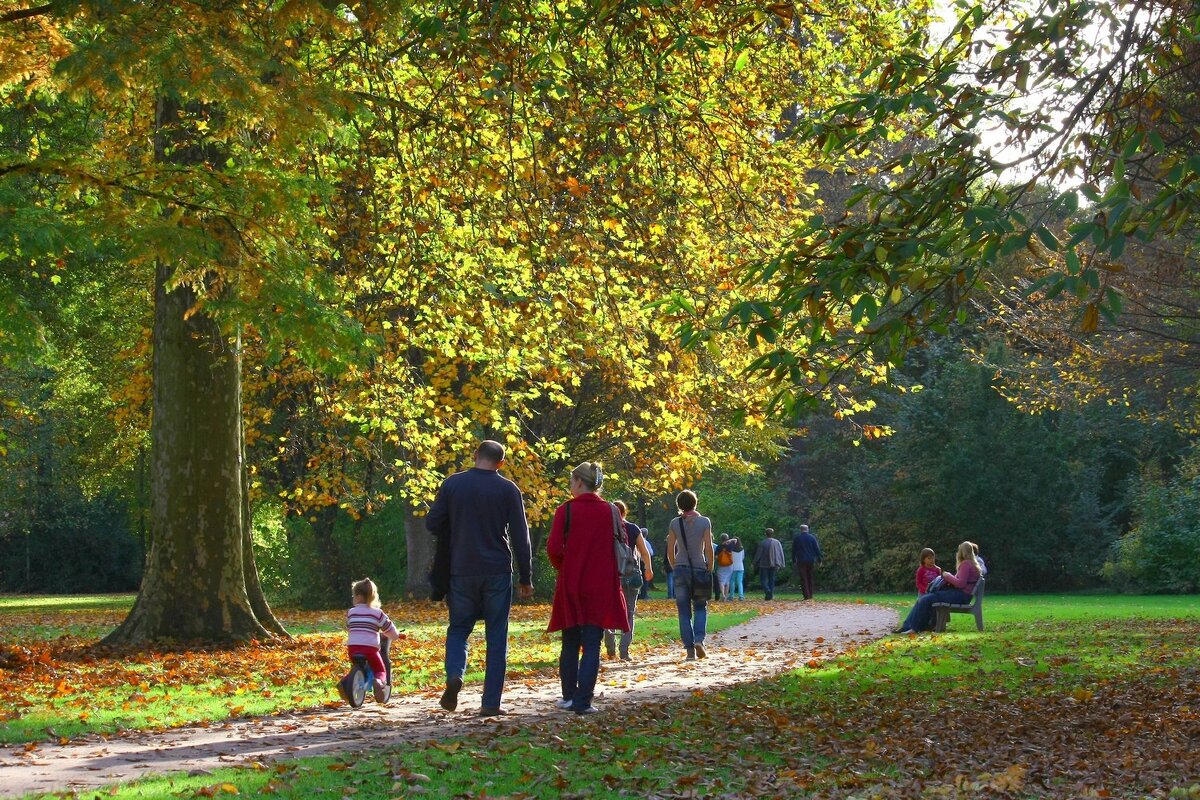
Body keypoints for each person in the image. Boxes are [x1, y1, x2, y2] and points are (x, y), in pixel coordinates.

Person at [426, 440, 533, 717]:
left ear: (475, 456)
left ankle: (454, 675)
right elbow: (521, 536)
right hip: (497, 569)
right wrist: (526, 576)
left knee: (459, 629)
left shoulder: (453, 484)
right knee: (497, 634)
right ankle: (490, 702)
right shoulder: (508, 489)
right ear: (501, 463)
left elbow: (432, 523)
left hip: (461, 569)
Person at [547, 462, 630, 714]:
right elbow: (623, 542)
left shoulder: (566, 511)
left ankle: (569, 696)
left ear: (580, 482)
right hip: (601, 582)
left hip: (572, 581)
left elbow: (552, 548)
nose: (570, 487)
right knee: (592, 641)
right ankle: (584, 701)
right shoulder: (611, 511)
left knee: (570, 640)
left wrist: (564, 564)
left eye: (572, 482)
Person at [666, 489, 714, 660]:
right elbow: (708, 546)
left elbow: (670, 549)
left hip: (681, 568)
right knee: (701, 607)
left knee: (683, 611)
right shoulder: (704, 522)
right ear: (695, 503)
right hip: (700, 567)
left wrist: (674, 565)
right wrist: (710, 565)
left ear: (679, 505)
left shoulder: (674, 523)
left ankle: (689, 651)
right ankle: (699, 640)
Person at [604, 501, 654, 660]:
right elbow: (644, 552)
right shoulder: (633, 529)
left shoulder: (604, 529)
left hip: (609, 576)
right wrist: (648, 568)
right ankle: (624, 651)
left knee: (607, 612)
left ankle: (610, 649)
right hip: (630, 574)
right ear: (624, 512)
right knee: (629, 612)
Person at [895, 541, 981, 634]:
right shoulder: (972, 564)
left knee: (925, 599)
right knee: (925, 598)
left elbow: (961, 584)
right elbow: (962, 582)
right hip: (963, 595)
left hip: (961, 596)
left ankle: (914, 628)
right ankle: (911, 626)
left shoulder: (966, 564)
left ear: (962, 552)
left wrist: (947, 576)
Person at [339, 578, 401, 701]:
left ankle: (346, 682)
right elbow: (390, 630)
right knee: (380, 669)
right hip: (370, 649)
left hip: (353, 648)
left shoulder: (351, 612)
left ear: (357, 597)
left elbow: (349, 626)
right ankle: (378, 682)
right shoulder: (377, 613)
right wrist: (396, 636)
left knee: (356, 665)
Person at [791, 524, 822, 600]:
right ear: (807, 529)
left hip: (801, 560)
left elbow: (793, 551)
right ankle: (810, 595)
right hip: (810, 560)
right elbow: (816, 549)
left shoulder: (797, 539)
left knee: (803, 578)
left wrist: (794, 560)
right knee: (810, 577)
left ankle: (806, 596)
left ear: (801, 530)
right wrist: (819, 559)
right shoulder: (812, 538)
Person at [754, 527, 786, 600]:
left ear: (766, 534)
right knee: (771, 579)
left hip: (764, 564)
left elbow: (758, 554)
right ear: (772, 534)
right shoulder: (777, 542)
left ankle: (767, 591)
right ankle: (770, 594)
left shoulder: (763, 543)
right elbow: (780, 553)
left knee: (763, 580)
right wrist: (781, 563)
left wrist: (754, 562)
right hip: (774, 564)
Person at [715, 534, 735, 601]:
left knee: (721, 581)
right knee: (727, 581)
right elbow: (735, 540)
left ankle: (723, 595)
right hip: (729, 565)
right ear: (727, 538)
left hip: (721, 566)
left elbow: (716, 557)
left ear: (721, 539)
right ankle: (726, 597)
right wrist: (729, 541)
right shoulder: (730, 545)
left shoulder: (718, 547)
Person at [727, 535, 746, 600]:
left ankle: (731, 596)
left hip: (733, 567)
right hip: (740, 567)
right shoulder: (742, 548)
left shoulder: (731, 550)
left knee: (732, 581)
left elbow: (730, 558)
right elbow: (743, 558)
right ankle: (741, 596)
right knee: (740, 582)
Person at [638, 530, 654, 599]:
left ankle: (639, 594)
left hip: (638, 562)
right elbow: (651, 552)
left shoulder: (637, 541)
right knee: (645, 579)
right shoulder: (646, 543)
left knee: (639, 578)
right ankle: (644, 594)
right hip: (644, 562)